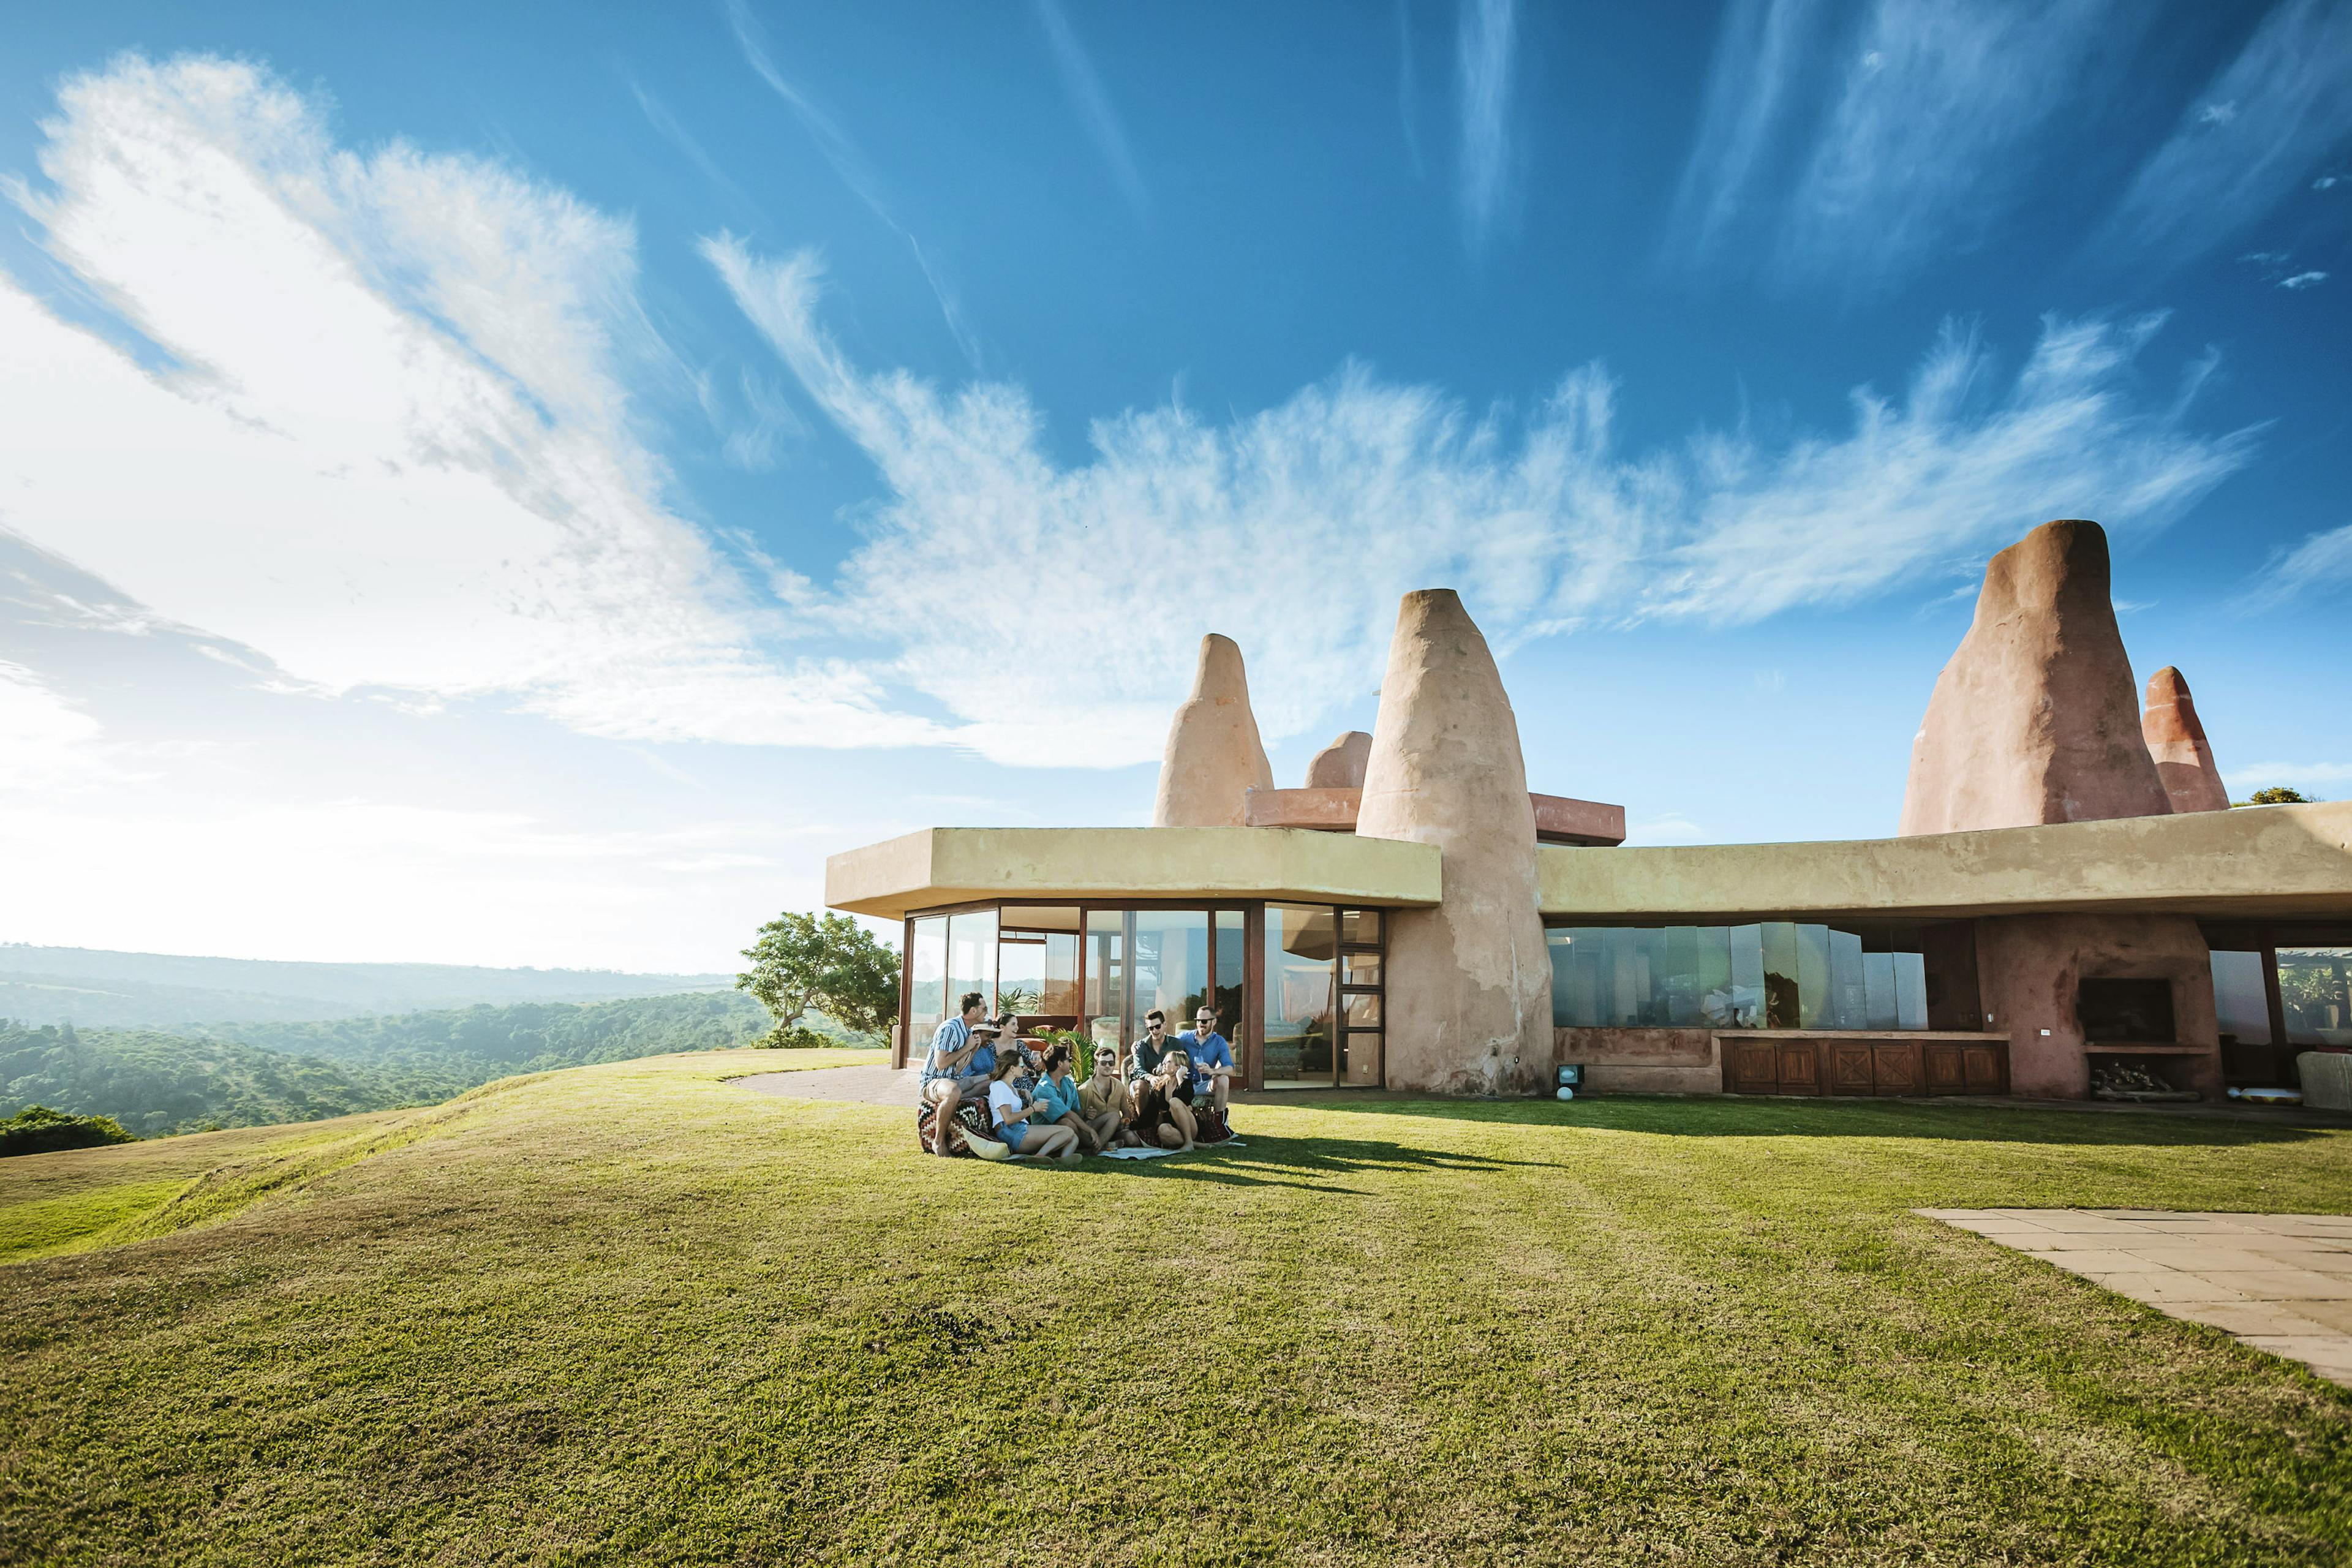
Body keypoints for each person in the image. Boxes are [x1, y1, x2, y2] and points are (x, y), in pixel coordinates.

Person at [918, 993, 993, 1158]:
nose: (987, 1012)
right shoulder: (950, 1028)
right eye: (984, 1009)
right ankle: (939, 1142)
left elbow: (959, 1069)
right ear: (973, 1011)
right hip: (934, 1081)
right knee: (953, 1092)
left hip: (954, 1079)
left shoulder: (968, 1031)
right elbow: (941, 1064)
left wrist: (973, 1051)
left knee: (992, 1083)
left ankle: (992, 1138)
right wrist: (967, 1047)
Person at [984, 1049, 1079, 1162]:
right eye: (1021, 1064)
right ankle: (1038, 1157)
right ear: (1012, 1068)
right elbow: (1008, 1119)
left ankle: (1062, 1161)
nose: (1024, 1068)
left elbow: (1008, 1095)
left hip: (1020, 1129)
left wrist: (1022, 1091)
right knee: (1067, 1132)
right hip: (1010, 1131)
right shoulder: (999, 1086)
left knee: (1074, 1138)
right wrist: (1034, 1108)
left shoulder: (1009, 1087)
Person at [1131, 1045, 1197, 1151]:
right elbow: (1150, 1110)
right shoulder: (1160, 1085)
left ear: (1178, 1066)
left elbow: (1187, 1100)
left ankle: (1189, 1142)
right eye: (1164, 1061)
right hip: (1173, 1129)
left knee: (1174, 1101)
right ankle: (1196, 1145)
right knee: (1162, 1130)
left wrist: (1180, 1078)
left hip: (1189, 1126)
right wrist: (1134, 1126)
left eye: (1168, 1062)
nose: (1164, 1064)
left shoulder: (1186, 1083)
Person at [1075, 1044, 1136, 1151]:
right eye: (1103, 1063)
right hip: (1092, 1130)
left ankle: (1105, 1145)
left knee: (1132, 1139)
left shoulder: (1119, 1086)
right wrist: (1086, 1116)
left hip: (1114, 1130)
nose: (1108, 1066)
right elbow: (1077, 1119)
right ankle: (1097, 1148)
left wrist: (1125, 1121)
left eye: (1111, 1063)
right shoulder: (1085, 1089)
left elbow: (1126, 1112)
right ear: (1096, 1064)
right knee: (1114, 1116)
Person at [1030, 1042, 1088, 1152]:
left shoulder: (1068, 1083)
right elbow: (1067, 1115)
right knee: (1067, 1122)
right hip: (1047, 1135)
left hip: (1070, 1128)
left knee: (1111, 1117)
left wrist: (1087, 1116)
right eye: (1069, 1059)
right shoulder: (1044, 1089)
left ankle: (1094, 1143)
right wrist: (1091, 1131)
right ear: (1060, 1063)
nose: (1071, 1063)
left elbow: (1077, 1112)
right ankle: (1090, 1145)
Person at [1179, 1007, 1237, 1117]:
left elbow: (1231, 1069)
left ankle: (1219, 1122)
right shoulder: (1184, 1038)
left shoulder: (1219, 1042)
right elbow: (1166, 1043)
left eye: (1204, 1021)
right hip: (1186, 1083)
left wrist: (1212, 1071)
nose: (1201, 1024)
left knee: (1224, 1079)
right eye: (1198, 1021)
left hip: (1206, 1084)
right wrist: (1140, 1045)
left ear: (1214, 1022)